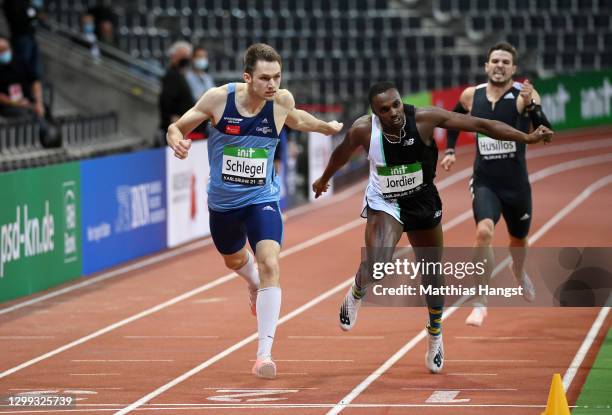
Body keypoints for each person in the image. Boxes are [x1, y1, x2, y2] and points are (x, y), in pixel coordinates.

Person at [312, 81, 552, 374]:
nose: (393, 113)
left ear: (402, 101)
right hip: (385, 202)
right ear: (375, 113)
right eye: (384, 110)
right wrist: (324, 179)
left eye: (396, 105)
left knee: (431, 271)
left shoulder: (424, 119)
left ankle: (435, 334)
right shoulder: (364, 129)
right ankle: (357, 292)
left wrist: (525, 138)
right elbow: (342, 152)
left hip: (422, 201)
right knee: (377, 265)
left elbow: (481, 124)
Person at [166, 43, 342, 379]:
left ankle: (264, 354)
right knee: (233, 259)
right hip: (223, 204)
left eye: (277, 77)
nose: (272, 84)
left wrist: (326, 127)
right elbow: (178, 126)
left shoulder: (280, 102)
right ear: (248, 77)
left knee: (271, 263)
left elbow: (298, 118)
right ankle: (251, 281)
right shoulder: (219, 99)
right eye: (265, 78)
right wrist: (176, 139)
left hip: (262, 199)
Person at [440, 42, 553, 327]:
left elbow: (546, 132)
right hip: (484, 180)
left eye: (505, 62)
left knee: (518, 241)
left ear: (513, 69)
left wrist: (532, 107)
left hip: (515, 184)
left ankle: (518, 269)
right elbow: (451, 121)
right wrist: (451, 150)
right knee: (483, 231)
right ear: (487, 66)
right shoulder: (471, 95)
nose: (500, 65)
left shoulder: (523, 94)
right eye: (495, 61)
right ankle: (480, 301)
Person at [159, 41, 195, 142]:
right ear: (173, 56)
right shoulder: (171, 75)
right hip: (176, 127)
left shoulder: (181, 75)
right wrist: (171, 120)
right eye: (183, 56)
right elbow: (166, 101)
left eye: (187, 56)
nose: (185, 59)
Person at [2, 0, 44, 79]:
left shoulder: (26, 2)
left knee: (35, 71)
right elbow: (22, 17)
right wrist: (32, 15)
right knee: (23, 66)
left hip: (30, 36)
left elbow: (34, 13)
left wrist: (33, 15)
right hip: (20, 37)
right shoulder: (13, 3)